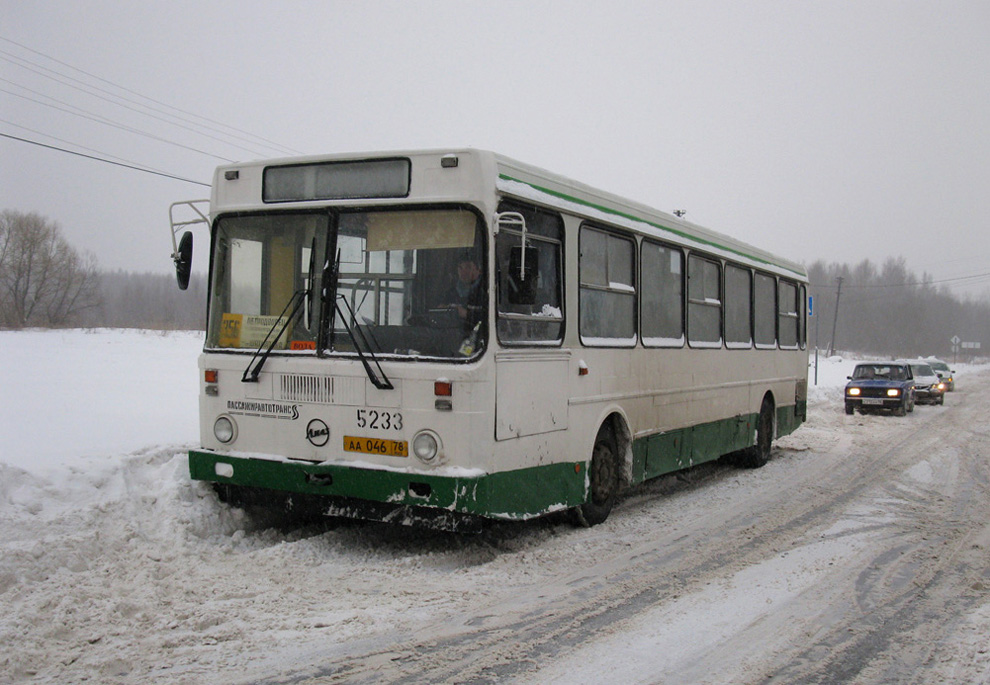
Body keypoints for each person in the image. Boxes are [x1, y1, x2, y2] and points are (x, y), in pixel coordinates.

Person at [444, 252, 484, 332]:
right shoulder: (451, 292)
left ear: (478, 270)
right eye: (460, 268)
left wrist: (465, 314)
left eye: (468, 267)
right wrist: (444, 310)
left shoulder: (486, 290)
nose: (463, 272)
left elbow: (489, 318)